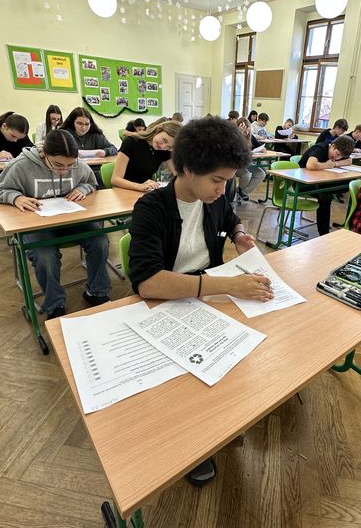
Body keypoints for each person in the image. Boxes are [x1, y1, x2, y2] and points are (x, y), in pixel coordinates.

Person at [128, 118, 272, 486]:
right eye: (217, 180)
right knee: (184, 380)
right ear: (188, 168)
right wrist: (229, 285)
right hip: (162, 304)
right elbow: (148, 283)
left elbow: (231, 217)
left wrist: (239, 234)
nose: (223, 190)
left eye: (227, 181)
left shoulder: (214, 200)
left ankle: (220, 424)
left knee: (240, 351)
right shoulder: (151, 208)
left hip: (205, 298)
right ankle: (191, 441)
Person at [0, 130, 111, 320]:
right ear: (44, 154)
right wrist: (16, 197)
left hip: (70, 217)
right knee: (45, 255)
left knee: (99, 240)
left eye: (70, 165)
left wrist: (82, 188)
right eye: (58, 165)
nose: (64, 170)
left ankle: (96, 292)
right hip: (36, 223)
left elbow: (91, 182)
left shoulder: (77, 164)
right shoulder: (22, 165)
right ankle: (55, 303)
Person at [298, 135, 356, 236]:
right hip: (302, 183)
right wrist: (328, 165)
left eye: (341, 157)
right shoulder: (320, 148)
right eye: (337, 154)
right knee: (325, 196)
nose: (337, 158)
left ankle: (324, 232)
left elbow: (349, 161)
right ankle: (324, 233)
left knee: (349, 183)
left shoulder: (338, 153)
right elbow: (310, 165)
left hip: (319, 182)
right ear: (333, 146)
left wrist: (336, 164)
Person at [112, 120, 182, 192]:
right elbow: (115, 179)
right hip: (124, 191)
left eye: (169, 147)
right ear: (159, 129)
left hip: (145, 192)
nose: (163, 146)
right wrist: (140, 186)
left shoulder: (165, 151)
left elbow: (178, 175)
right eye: (164, 140)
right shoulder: (131, 142)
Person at [235, 117, 266, 201]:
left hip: (245, 163)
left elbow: (261, 147)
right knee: (247, 175)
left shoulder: (250, 136)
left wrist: (261, 149)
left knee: (261, 173)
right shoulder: (234, 137)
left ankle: (242, 192)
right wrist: (240, 134)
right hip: (235, 164)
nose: (246, 131)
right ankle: (238, 193)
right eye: (243, 129)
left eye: (247, 129)